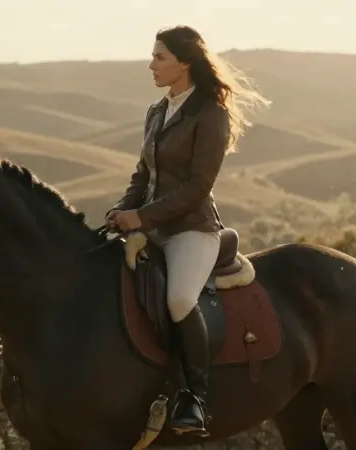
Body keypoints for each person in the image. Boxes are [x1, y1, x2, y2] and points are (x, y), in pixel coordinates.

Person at [105, 25, 269, 437]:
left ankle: (194, 397)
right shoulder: (156, 112)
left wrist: (141, 219)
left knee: (179, 298)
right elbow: (142, 177)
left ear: (185, 62)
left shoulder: (210, 113)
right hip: (151, 227)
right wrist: (122, 211)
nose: (151, 65)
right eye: (153, 57)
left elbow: (199, 187)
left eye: (159, 57)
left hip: (191, 230)